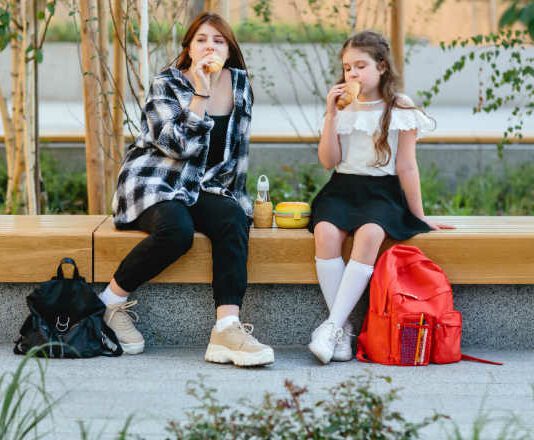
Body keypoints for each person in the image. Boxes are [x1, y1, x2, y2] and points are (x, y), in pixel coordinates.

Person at [100, 12, 274, 367]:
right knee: (176, 231)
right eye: (202, 40)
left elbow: (236, 150)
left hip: (206, 186)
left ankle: (226, 328)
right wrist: (201, 93)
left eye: (219, 40)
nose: (210, 46)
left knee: (232, 220)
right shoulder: (166, 83)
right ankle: (110, 304)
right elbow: (175, 147)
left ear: (229, 49)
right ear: (189, 49)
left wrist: (236, 201)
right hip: (156, 180)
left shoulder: (240, 83)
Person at [308, 30, 454, 365]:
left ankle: (331, 327)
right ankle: (341, 329)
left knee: (370, 233)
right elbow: (328, 161)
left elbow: (407, 166)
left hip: (381, 192)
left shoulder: (399, 107)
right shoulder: (342, 107)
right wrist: (330, 115)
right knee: (326, 232)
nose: (353, 74)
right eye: (347, 68)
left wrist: (420, 216)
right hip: (342, 188)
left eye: (361, 65)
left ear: (382, 66)